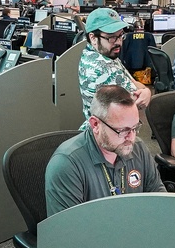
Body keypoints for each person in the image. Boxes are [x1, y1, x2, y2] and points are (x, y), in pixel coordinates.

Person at [45, 85, 165, 216]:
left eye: (135, 127)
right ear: (95, 125)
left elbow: (158, 199)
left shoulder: (138, 148)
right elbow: (69, 229)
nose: (131, 137)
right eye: (122, 130)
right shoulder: (67, 164)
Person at [78, 8, 151, 124]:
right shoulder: (105, 68)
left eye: (121, 35)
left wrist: (145, 90)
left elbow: (133, 82)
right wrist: (147, 91)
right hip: (110, 135)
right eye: (111, 37)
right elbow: (140, 101)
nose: (118, 42)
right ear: (93, 38)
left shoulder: (94, 53)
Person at [119, 18, 156, 85]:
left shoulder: (127, 37)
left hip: (130, 75)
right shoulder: (149, 36)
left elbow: (122, 54)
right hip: (147, 74)